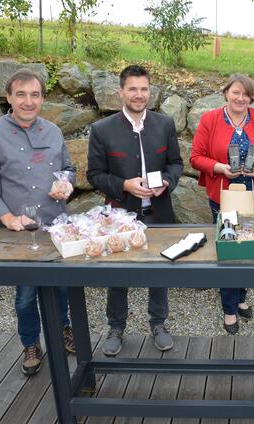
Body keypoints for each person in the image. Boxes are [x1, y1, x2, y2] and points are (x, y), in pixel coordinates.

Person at [0, 69, 76, 376]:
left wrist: (66, 183)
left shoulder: (54, 132)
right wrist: (7, 217)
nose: (28, 102)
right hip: (19, 231)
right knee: (26, 293)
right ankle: (30, 342)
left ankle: (63, 329)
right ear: (8, 97)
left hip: (55, 225)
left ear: (42, 98)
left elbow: (68, 169)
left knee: (61, 287)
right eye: (21, 94)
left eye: (35, 95)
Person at [87, 64, 183, 356]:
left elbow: (176, 164)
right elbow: (94, 175)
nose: (139, 95)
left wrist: (166, 181)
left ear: (149, 91)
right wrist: (124, 185)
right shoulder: (102, 130)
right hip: (120, 214)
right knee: (118, 274)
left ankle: (159, 323)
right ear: (121, 92)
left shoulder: (164, 125)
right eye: (133, 89)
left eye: (143, 89)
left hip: (159, 212)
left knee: (159, 271)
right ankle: (116, 327)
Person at [190, 74, 254, 335]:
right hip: (225, 197)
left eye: (246, 94)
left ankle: (241, 295)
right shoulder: (210, 119)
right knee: (230, 250)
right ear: (226, 93)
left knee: (249, 249)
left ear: (251, 98)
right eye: (236, 93)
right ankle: (229, 308)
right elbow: (196, 157)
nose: (240, 98)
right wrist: (219, 167)